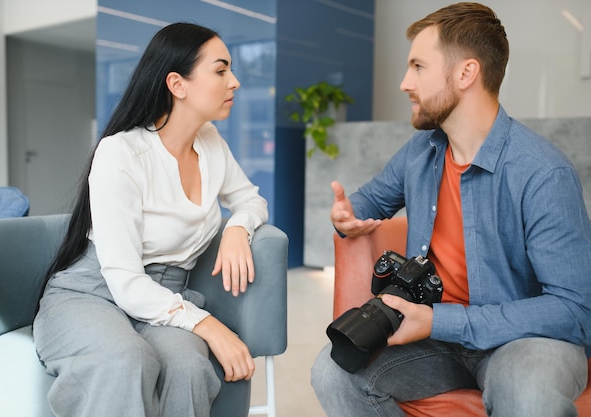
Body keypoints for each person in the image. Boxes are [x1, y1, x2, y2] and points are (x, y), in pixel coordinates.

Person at [311, 2, 591, 416]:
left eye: (418, 67)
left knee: (527, 392)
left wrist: (440, 322)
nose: (405, 82)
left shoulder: (543, 173)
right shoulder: (422, 152)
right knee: (333, 372)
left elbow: (575, 309)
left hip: (522, 340)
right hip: (436, 342)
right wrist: (348, 218)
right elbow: (370, 201)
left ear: (466, 73)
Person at [33, 22, 268, 417]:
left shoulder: (211, 143)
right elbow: (124, 281)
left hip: (167, 296)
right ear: (178, 84)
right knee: (126, 360)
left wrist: (238, 227)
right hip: (95, 293)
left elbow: (250, 200)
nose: (235, 82)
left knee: (190, 367)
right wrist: (208, 324)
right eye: (221, 70)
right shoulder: (121, 153)